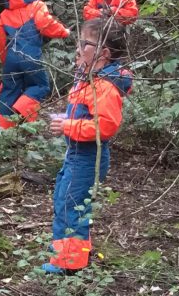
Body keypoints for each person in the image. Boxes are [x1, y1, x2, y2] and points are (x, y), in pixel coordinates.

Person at [43, 18, 133, 274]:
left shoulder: (104, 86)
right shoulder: (88, 79)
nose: (78, 49)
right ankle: (69, 253)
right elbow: (85, 115)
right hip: (75, 155)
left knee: (72, 205)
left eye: (85, 44)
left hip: (88, 158)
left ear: (103, 53)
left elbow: (104, 127)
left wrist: (68, 126)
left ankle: (70, 264)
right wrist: (67, 120)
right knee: (64, 200)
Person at [0, 0, 70, 129]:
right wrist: (64, 32)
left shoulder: (5, 12)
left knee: (9, 90)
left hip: (11, 58)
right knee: (41, 86)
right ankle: (21, 113)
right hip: (30, 57)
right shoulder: (37, 5)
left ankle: (2, 129)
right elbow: (46, 24)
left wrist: (5, 59)